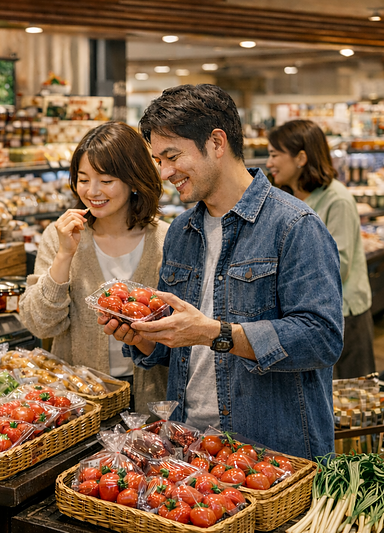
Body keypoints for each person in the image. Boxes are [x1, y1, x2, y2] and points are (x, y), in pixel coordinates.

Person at [101, 84, 343, 460]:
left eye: (172, 156)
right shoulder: (182, 231)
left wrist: (215, 333)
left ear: (217, 142)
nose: (164, 172)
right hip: (190, 445)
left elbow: (322, 338)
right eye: (158, 160)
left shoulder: (294, 225)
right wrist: (141, 335)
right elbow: (173, 352)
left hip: (267, 451)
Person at [20, 122, 170, 411]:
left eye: (106, 180)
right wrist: (64, 255)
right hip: (77, 401)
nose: (92, 191)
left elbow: (177, 335)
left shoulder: (164, 240)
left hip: (150, 396)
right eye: (83, 178)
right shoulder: (59, 234)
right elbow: (40, 324)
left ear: (134, 179)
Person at [267, 119, 375, 379]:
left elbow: (341, 266)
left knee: (350, 393)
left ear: (301, 157)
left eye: (274, 155)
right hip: (305, 316)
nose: (269, 163)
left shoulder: (336, 199)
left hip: (345, 315)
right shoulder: (285, 198)